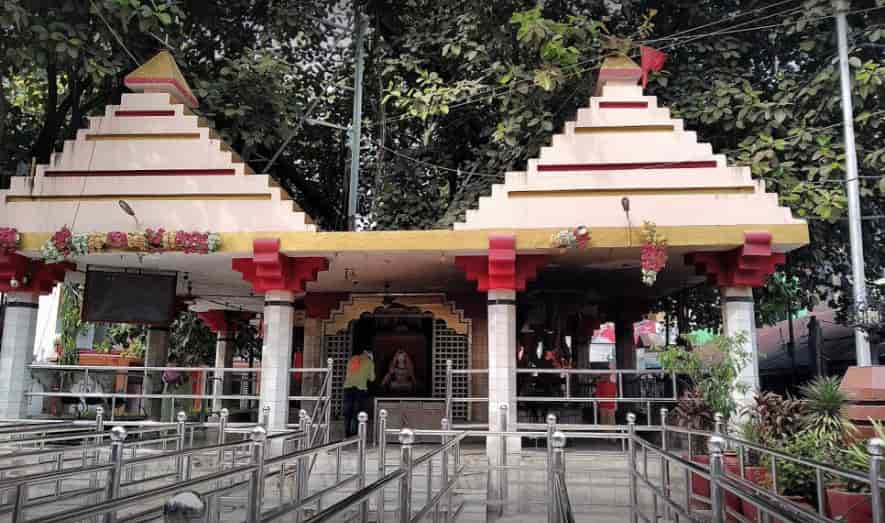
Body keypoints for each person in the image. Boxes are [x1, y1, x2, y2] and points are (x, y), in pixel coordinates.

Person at [342, 348, 375, 437]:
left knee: (348, 409)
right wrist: (371, 362)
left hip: (348, 387)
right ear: (368, 353)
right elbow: (372, 378)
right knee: (358, 410)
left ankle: (346, 432)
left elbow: (348, 372)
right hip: (360, 389)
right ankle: (356, 432)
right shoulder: (369, 362)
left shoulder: (352, 359)